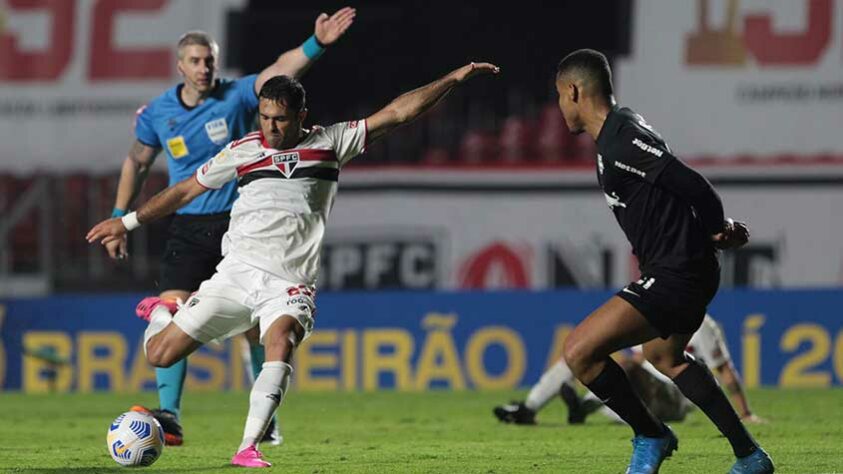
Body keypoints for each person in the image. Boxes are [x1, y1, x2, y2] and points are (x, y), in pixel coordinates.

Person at [87, 62, 501, 467]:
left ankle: (248, 447)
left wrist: (453, 77)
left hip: (289, 283)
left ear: (302, 116)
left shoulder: (332, 142)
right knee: (159, 355)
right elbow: (183, 192)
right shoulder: (242, 151)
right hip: (235, 275)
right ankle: (163, 311)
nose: (270, 127)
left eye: (281, 119)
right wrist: (125, 221)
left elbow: (398, 113)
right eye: (265, 117)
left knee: (280, 340)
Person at [102, 8, 356, 446]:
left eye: (210, 60)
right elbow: (138, 161)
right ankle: (171, 414)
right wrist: (120, 215)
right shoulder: (157, 113)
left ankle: (265, 417)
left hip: (239, 228)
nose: (205, 67)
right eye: (196, 61)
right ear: (180, 65)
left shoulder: (236, 95)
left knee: (256, 326)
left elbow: (279, 72)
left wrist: (316, 44)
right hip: (187, 226)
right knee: (174, 311)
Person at [552, 49, 774, 474]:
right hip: (680, 268)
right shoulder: (617, 133)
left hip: (678, 271)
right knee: (666, 357)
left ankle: (651, 435)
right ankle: (749, 456)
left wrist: (715, 228)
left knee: (580, 351)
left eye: (560, 96)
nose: (560, 106)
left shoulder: (621, 139)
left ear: (574, 91)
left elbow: (695, 185)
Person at [494, 315, 764, 426]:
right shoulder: (649, 316)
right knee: (578, 353)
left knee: (629, 365)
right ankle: (529, 409)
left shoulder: (701, 323)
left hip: (673, 399)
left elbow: (724, 370)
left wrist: (746, 413)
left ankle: (584, 405)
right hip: (636, 400)